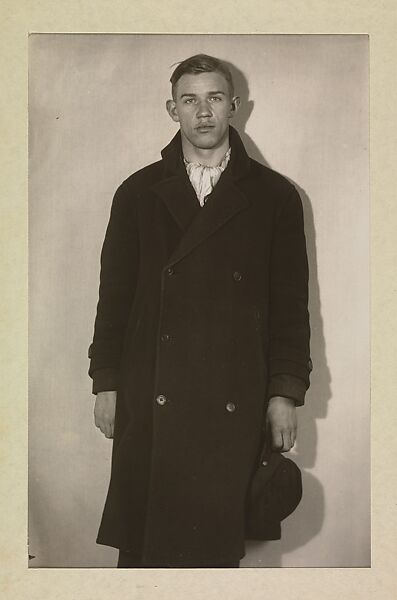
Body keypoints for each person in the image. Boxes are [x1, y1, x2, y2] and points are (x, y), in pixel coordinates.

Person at [88, 54, 312, 569]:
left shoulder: (276, 197)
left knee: (212, 556)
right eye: (190, 100)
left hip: (234, 391)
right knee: (145, 554)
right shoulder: (137, 191)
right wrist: (106, 382)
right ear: (173, 110)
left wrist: (285, 392)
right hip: (150, 389)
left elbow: (290, 308)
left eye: (214, 98)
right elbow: (113, 299)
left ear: (235, 106)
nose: (203, 112)